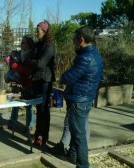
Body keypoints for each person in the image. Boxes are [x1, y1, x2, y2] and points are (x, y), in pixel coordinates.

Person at [60, 26, 103, 167]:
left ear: (81, 39)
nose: (73, 42)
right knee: (77, 131)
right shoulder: (94, 54)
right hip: (86, 98)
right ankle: (72, 155)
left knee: (78, 135)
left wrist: (62, 77)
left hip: (79, 100)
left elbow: (68, 77)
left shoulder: (85, 58)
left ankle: (83, 165)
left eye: (74, 39)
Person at [1, 35, 37, 134]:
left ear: (28, 45)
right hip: (17, 82)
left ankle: (30, 125)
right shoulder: (19, 53)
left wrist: (17, 67)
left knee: (28, 104)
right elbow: (13, 64)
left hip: (27, 83)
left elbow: (29, 71)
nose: (21, 44)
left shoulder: (31, 55)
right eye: (21, 42)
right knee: (15, 103)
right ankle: (12, 122)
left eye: (23, 42)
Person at [31, 21, 56, 146]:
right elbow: (33, 60)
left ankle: (43, 136)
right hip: (36, 80)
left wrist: (32, 62)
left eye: (38, 31)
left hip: (45, 80)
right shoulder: (37, 45)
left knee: (44, 109)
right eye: (36, 30)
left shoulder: (49, 46)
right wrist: (33, 62)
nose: (36, 33)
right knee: (38, 108)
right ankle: (37, 133)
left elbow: (41, 64)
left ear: (45, 32)